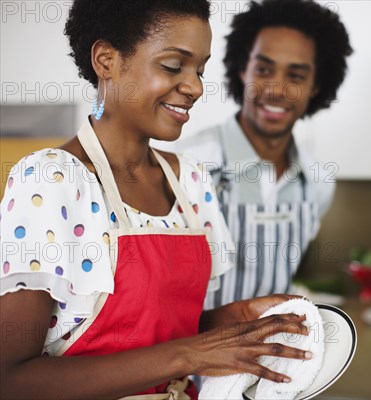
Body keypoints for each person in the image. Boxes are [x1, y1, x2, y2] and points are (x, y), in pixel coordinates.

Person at [0, 1, 312, 398]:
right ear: (106, 60)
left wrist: (236, 318)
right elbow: (10, 381)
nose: (195, 87)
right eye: (172, 66)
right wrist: (185, 356)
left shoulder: (190, 181)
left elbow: (160, 331)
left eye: (199, 69)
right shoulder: (53, 180)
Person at [161, 0, 353, 309]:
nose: (277, 89)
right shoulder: (184, 164)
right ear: (242, 70)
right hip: (193, 351)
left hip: (277, 351)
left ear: (316, 86)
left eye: (297, 75)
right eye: (263, 69)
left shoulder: (317, 182)